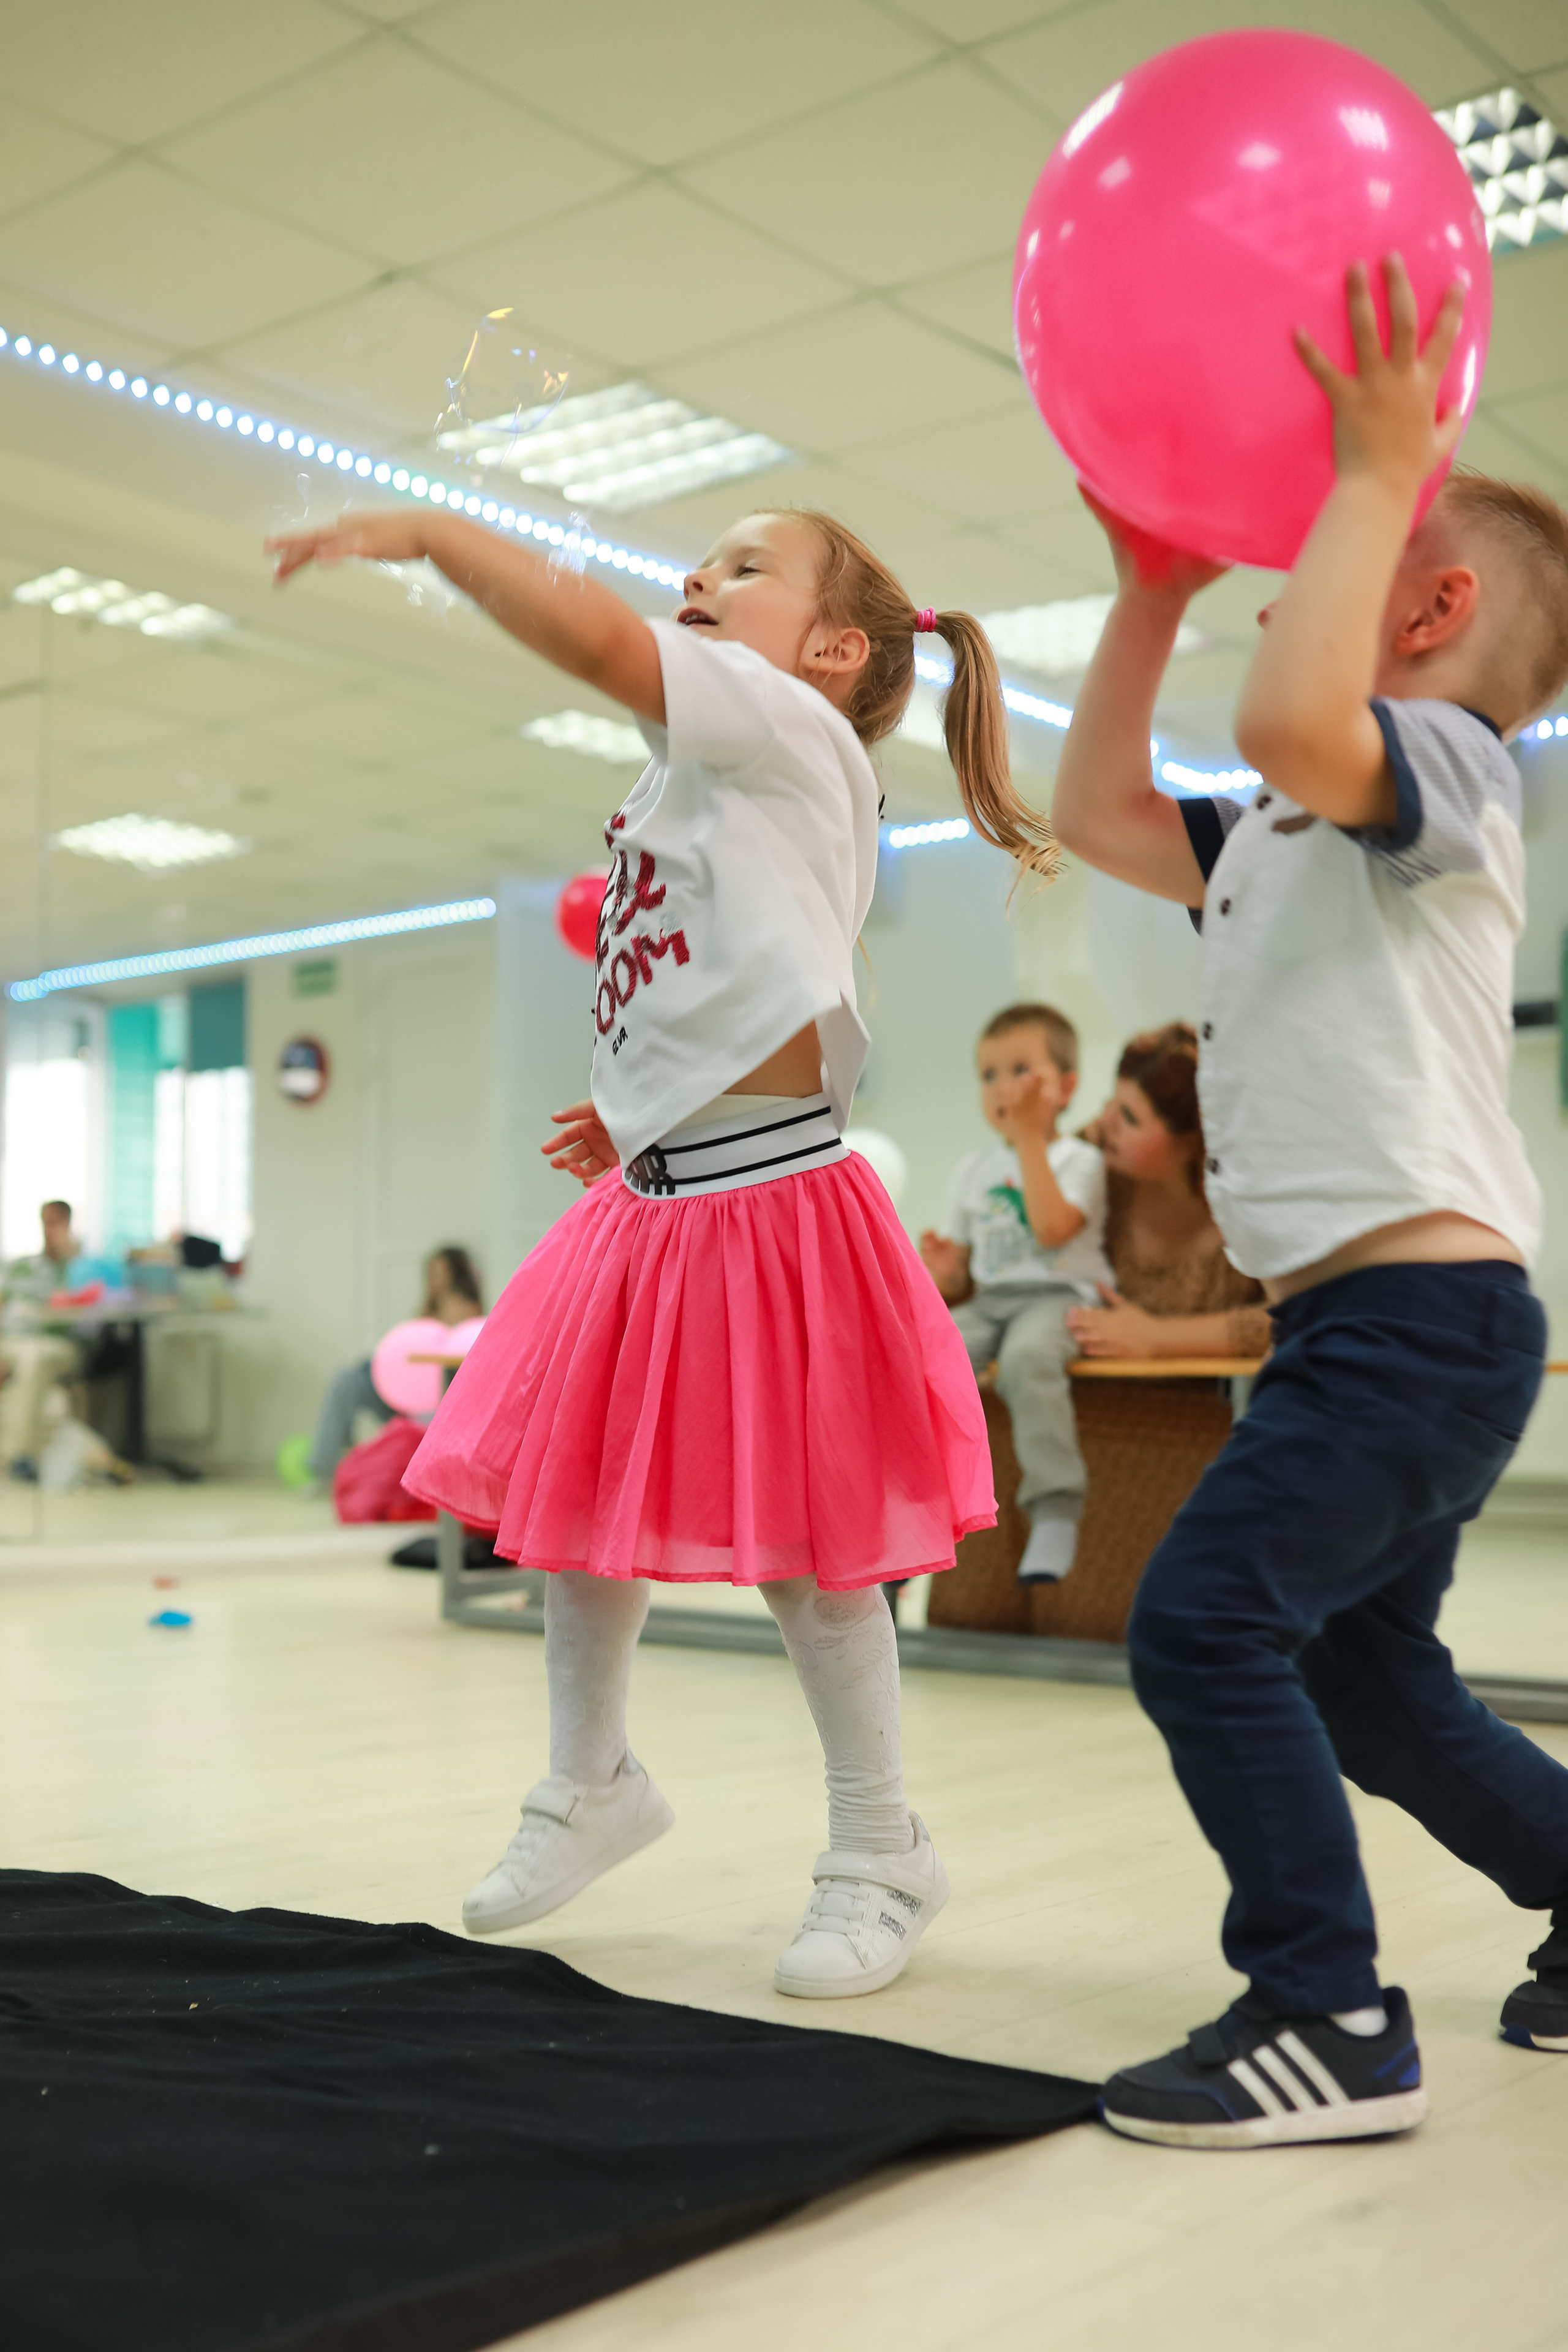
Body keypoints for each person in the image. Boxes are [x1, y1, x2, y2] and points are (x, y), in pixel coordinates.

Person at [268, 499, 1054, 1998]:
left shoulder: (779, 722)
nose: (698, 578)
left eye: (742, 567)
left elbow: (587, 632)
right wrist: (631, 1103)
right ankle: (592, 1781)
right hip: (659, 1193)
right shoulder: (700, 769)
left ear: (829, 650)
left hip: (775, 1199)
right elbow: (707, 965)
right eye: (702, 562)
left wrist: (441, 536)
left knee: (818, 1559)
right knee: (570, 1501)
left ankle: (880, 1846)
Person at [1052, 254, 1568, 2147]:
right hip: (1379, 1332)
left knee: (1199, 1621)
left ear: (1425, 603)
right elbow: (1099, 807)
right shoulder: (1283, 828)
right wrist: (1140, 596)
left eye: (1365, 541)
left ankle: (1325, 2010)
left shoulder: (1445, 763)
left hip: (1416, 1329)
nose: (1311, 544)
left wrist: (1378, 457)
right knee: (1361, 1669)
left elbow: (1291, 720)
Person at [919, 1004, 1111, 1583]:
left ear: (1067, 1086)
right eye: (989, 1074)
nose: (1002, 1087)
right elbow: (960, 1277)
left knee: (1029, 1360)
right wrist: (945, 1270)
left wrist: (1030, 1136)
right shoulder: (972, 1170)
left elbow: (1054, 1230)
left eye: (1020, 1070)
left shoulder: (1081, 1160)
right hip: (994, 1298)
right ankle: (916, 1519)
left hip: (1058, 1295)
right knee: (929, 1361)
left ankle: (1055, 1509)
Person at [1067, 1023, 1271, 1362]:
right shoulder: (1089, 1155)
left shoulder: (1250, 1196)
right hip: (1095, 1401)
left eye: (1130, 1117)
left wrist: (1157, 1338)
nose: (1105, 1121)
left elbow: (1293, 1317)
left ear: (1193, 1141)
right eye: (1111, 1102)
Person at [306, 1246, 483, 1483]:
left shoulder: (468, 1309)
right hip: (401, 1392)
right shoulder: (427, 1308)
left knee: (367, 1372)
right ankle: (324, 1469)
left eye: (439, 1273)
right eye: (430, 1273)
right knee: (345, 1380)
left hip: (434, 1395)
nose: (433, 1280)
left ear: (455, 1274)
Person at [0, 1200, 120, 1480]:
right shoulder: (20, 1266)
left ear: (70, 1225)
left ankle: (15, 1456)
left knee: (33, 1359)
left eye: (58, 1223)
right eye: (46, 1222)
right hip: (11, 1342)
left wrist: (72, 1258)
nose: (50, 1230)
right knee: (25, 1357)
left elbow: (102, 1304)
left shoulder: (83, 1267)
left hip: (56, 1345)